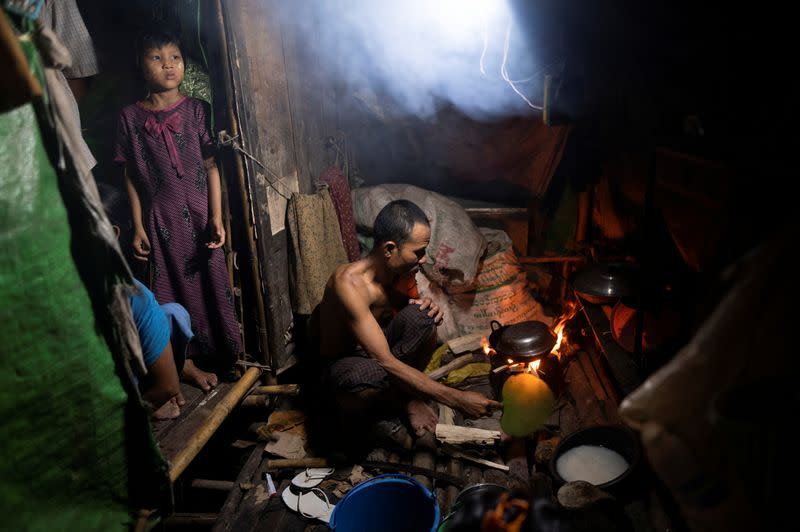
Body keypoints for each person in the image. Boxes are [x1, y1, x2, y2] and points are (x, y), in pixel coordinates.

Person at [310, 199, 502, 442]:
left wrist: (428, 310)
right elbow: (385, 361)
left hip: (379, 354)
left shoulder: (400, 274)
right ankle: (403, 401)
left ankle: (402, 395)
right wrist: (455, 398)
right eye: (418, 252)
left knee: (424, 317)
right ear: (390, 249)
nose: (423, 260)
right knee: (366, 374)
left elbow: (417, 332)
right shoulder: (349, 283)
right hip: (344, 366)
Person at [113, 30, 240, 387]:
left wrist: (216, 218)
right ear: (141, 65)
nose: (168, 64)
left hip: (199, 214)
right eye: (157, 57)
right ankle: (183, 364)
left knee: (213, 283)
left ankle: (226, 357)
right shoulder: (129, 118)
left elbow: (212, 166)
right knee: (168, 290)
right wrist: (137, 225)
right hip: (160, 219)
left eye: (175, 57)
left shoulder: (198, 110)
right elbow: (131, 179)